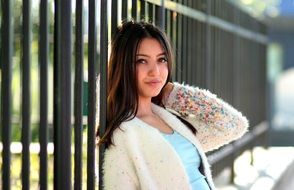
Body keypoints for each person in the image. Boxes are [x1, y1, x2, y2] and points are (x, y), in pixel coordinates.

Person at [97, 20, 249, 190]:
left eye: (161, 60)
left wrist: (173, 94)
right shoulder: (124, 133)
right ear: (123, 66)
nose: (155, 71)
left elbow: (234, 125)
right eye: (141, 61)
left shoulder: (169, 119)